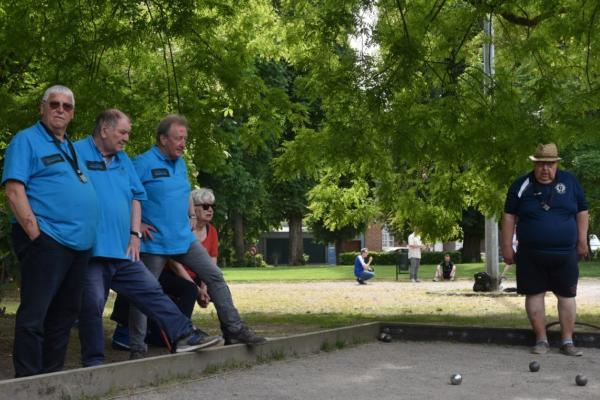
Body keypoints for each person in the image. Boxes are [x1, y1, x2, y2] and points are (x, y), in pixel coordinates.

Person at [75, 109, 220, 366]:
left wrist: (134, 233)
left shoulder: (123, 160)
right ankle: (94, 364)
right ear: (104, 129)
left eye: (128, 133)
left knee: (151, 291)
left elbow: (137, 196)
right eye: (122, 132)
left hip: (123, 250)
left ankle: (184, 335)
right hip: (93, 249)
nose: (126, 138)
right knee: (93, 306)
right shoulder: (76, 152)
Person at [127, 115, 265, 359]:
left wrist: (191, 215)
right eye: (178, 138)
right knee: (144, 292)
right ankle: (137, 348)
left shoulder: (180, 163)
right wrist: (138, 225)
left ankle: (233, 329)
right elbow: (124, 193)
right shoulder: (142, 163)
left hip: (183, 239)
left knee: (215, 276)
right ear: (162, 139)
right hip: (154, 244)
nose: (183, 143)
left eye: (185, 139)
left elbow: (185, 193)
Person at [2, 85, 99, 377]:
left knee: (65, 315)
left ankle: (51, 378)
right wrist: (37, 236)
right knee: (36, 314)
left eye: (66, 106)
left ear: (72, 113)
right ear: (41, 108)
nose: (60, 109)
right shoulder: (26, 141)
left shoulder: (69, 145)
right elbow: (14, 191)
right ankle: (29, 382)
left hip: (78, 245)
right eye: (54, 104)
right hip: (48, 240)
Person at [502, 143, 589, 356]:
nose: (545, 169)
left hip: (565, 253)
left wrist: (582, 241)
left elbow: (582, 211)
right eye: (540, 164)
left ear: (556, 164)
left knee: (567, 296)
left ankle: (567, 341)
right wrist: (506, 247)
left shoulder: (570, 182)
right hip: (531, 254)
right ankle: (541, 340)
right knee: (534, 294)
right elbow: (509, 216)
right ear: (534, 164)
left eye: (549, 164)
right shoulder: (521, 184)